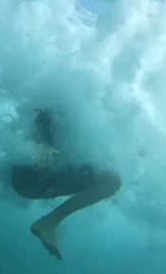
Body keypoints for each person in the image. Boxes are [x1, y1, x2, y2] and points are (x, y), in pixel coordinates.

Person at [10, 108, 122, 260]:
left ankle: (49, 223)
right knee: (112, 182)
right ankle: (49, 223)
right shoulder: (77, 100)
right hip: (29, 173)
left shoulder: (94, 117)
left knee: (111, 181)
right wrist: (45, 142)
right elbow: (48, 105)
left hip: (31, 181)